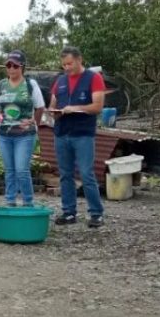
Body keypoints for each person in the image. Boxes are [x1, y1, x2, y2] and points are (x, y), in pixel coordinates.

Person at [48, 46, 105, 227]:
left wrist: (76, 108)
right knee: (65, 174)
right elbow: (53, 104)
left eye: (70, 64)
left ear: (80, 60)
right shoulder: (60, 81)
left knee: (86, 173)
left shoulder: (93, 78)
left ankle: (96, 213)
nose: (67, 67)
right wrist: (54, 112)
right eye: (64, 64)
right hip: (62, 132)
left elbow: (97, 107)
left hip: (82, 134)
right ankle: (69, 212)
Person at [0, 50, 45, 207]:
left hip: (24, 134)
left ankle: (28, 201)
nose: (11, 69)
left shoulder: (30, 84)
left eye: (15, 65)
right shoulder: (1, 85)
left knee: (22, 170)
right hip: (4, 134)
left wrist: (32, 122)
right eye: (8, 65)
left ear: (22, 67)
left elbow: (40, 107)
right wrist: (0, 117)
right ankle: (10, 201)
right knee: (9, 170)